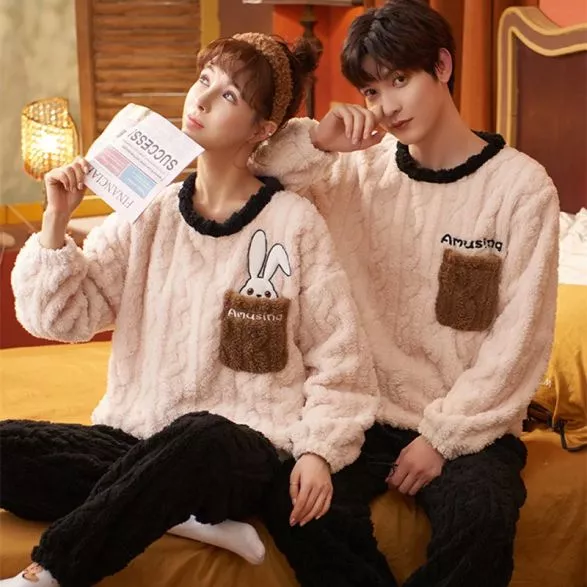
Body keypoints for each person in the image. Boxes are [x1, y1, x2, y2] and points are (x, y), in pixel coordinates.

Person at [1, 32, 384, 587]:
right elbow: (63, 319)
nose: (200, 99)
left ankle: (47, 574)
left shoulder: (293, 222)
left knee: (200, 434)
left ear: (263, 130)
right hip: (137, 437)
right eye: (204, 80)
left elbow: (342, 362)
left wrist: (319, 452)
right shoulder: (149, 212)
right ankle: (180, 513)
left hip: (241, 448)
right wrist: (56, 221)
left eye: (228, 95)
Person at [251, 1, 560, 586]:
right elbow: (255, 174)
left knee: (482, 517)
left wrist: (441, 438)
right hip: (361, 414)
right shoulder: (356, 172)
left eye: (399, 80)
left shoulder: (521, 188)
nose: (387, 106)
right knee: (291, 498)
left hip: (468, 425)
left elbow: (519, 340)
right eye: (371, 91)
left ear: (442, 66)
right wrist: (319, 139)